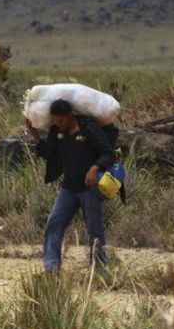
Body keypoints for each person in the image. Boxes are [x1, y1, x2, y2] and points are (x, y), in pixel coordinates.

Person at [26, 99, 115, 272]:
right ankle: (51, 267)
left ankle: (99, 269)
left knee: (94, 231)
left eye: (61, 120)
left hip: (91, 188)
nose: (58, 124)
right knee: (54, 223)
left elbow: (108, 153)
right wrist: (35, 135)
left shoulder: (89, 128)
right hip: (68, 188)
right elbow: (50, 154)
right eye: (55, 121)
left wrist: (95, 168)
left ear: (70, 116)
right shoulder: (57, 131)